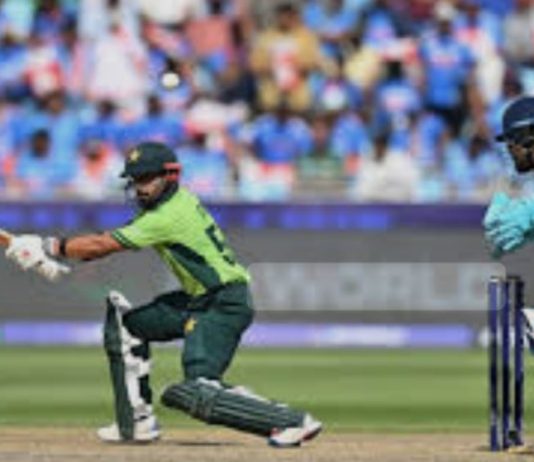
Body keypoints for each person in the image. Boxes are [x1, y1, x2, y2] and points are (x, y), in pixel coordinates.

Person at [3, 141, 322, 447]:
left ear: (169, 176)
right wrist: (47, 254)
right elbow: (102, 245)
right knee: (128, 327)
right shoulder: (172, 204)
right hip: (199, 301)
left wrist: (47, 246)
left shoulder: (168, 215)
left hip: (222, 305)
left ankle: (292, 421)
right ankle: (136, 423)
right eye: (134, 180)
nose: (138, 187)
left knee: (195, 390)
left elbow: (102, 245)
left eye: (145, 179)